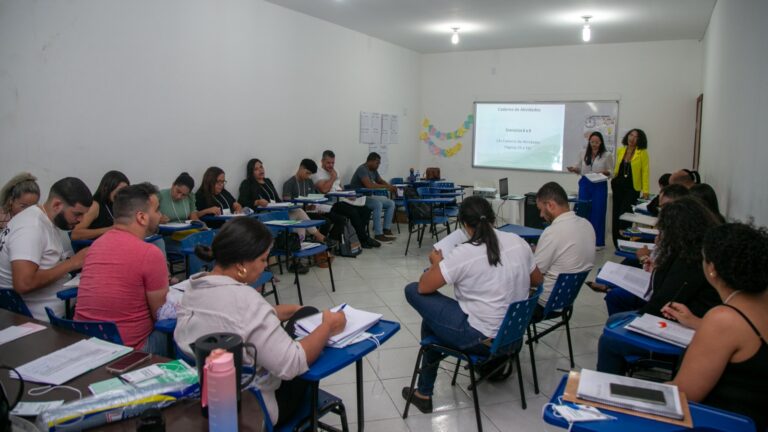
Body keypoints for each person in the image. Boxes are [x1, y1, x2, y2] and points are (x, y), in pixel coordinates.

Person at [174, 217, 346, 427]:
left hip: (207, 400)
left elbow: (229, 318)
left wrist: (276, 311)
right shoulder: (245, 300)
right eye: (264, 260)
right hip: (252, 410)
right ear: (241, 265)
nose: (266, 266)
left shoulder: (194, 287)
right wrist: (327, 325)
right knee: (309, 347)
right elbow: (292, 363)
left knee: (303, 313)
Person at [401, 196, 542, 413]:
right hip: (513, 336)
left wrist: (437, 264)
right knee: (433, 323)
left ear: (464, 225)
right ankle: (423, 392)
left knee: (412, 290)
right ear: (494, 218)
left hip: (481, 339)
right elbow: (537, 281)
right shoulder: (517, 241)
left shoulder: (464, 252)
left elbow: (423, 288)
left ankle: (424, 393)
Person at [597, 197, 722, 375]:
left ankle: (609, 383)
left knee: (609, 340)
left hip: (685, 326)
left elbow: (664, 299)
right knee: (615, 321)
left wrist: (637, 320)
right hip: (683, 318)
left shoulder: (691, 261)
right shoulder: (691, 251)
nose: (660, 234)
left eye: (664, 230)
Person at [664, 223, 768, 431]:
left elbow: (684, 394)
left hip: (719, 423)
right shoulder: (758, 304)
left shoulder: (724, 319)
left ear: (712, 268)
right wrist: (694, 321)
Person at [74, 183, 169, 354]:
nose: (160, 215)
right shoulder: (149, 253)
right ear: (141, 217)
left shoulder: (95, 246)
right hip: (130, 351)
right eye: (157, 210)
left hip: (87, 345)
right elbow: (161, 314)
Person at [0, 177, 92, 319]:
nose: (81, 220)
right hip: (38, 321)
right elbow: (24, 284)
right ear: (56, 205)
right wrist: (73, 262)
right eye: (77, 214)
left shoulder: (43, 220)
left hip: (57, 309)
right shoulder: (31, 227)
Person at [533, 182, 595, 318]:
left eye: (541, 209)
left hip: (542, 304)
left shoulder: (553, 232)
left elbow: (535, 276)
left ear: (550, 205)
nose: (541, 215)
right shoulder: (587, 225)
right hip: (566, 301)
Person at [238, 158, 329, 244]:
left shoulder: (267, 181)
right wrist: (257, 202)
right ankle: (317, 237)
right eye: (256, 169)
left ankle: (301, 244)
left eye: (261, 167)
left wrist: (287, 204)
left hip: (277, 214)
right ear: (251, 172)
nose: (260, 170)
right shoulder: (247, 184)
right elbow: (242, 202)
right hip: (264, 218)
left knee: (298, 212)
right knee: (299, 216)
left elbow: (277, 200)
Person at [312, 150, 379, 248]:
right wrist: (333, 177)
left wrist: (347, 194)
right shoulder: (317, 173)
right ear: (322, 161)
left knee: (366, 210)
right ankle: (363, 239)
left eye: (333, 163)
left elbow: (340, 187)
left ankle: (360, 237)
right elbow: (324, 190)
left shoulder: (336, 170)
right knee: (353, 212)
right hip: (330, 203)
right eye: (328, 163)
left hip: (342, 199)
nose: (331, 165)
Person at [567, 131, 614, 248]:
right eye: (592, 142)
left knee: (598, 212)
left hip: (599, 184)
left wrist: (605, 172)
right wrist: (574, 169)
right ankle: (583, 240)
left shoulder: (606, 155)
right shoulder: (583, 153)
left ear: (601, 142)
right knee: (583, 211)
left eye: (597, 142)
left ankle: (598, 242)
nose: (594, 144)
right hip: (585, 184)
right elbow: (579, 168)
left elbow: (612, 171)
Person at [611, 129, 650, 248]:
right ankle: (616, 243)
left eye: (636, 137)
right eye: (631, 135)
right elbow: (617, 169)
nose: (632, 138)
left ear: (640, 139)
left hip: (632, 188)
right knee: (616, 214)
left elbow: (645, 172)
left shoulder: (642, 153)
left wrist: (646, 190)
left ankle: (624, 241)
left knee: (626, 215)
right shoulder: (621, 150)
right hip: (618, 186)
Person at [349, 152, 397, 243]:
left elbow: (380, 180)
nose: (378, 165)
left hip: (367, 196)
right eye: (377, 163)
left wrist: (389, 186)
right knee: (377, 204)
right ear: (370, 161)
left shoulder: (373, 170)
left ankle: (386, 229)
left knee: (391, 203)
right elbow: (369, 185)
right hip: (357, 198)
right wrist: (386, 187)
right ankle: (378, 234)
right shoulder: (362, 169)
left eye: (379, 163)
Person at [71, 170, 129, 240]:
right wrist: (109, 229)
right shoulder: (95, 205)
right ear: (106, 189)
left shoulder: (117, 204)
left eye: (126, 190)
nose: (123, 195)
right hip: (92, 246)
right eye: (120, 191)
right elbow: (75, 234)